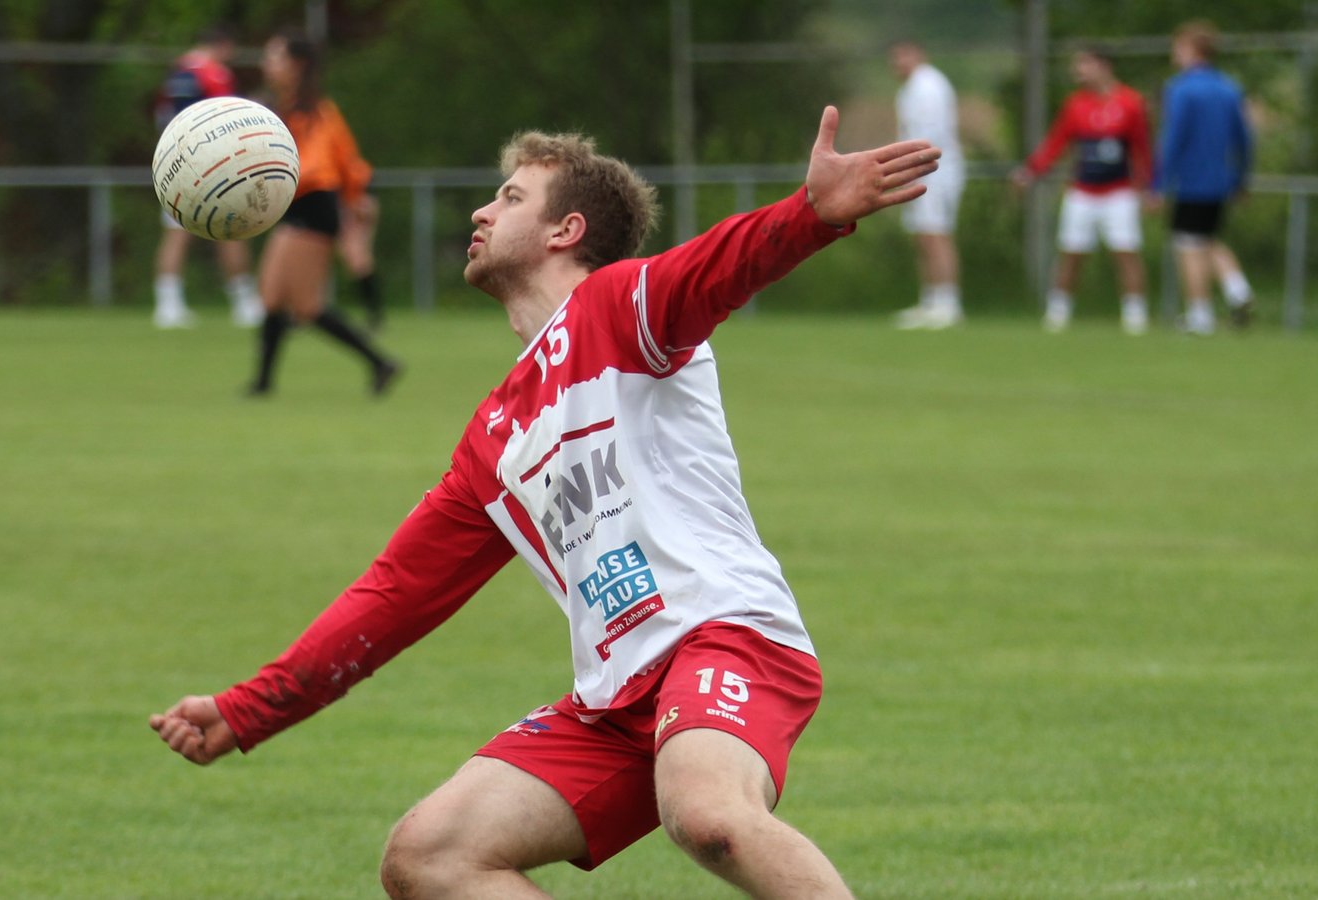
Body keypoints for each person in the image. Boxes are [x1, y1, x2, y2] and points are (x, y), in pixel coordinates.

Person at [150, 107, 940, 897]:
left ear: (566, 230)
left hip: (725, 636)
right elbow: (392, 596)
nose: (480, 211)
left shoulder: (618, 306)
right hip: (615, 697)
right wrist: (250, 709)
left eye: (509, 197)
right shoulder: (493, 436)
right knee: (429, 856)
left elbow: (716, 266)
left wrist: (808, 217)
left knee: (708, 815)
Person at [246, 31, 399, 397]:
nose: (267, 64)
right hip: (296, 205)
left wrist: (356, 198)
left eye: (275, 57)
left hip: (314, 205)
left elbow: (327, 165)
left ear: (297, 66)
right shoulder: (282, 107)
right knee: (270, 296)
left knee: (307, 307)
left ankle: (380, 362)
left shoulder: (314, 111)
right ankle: (263, 384)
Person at [1012, 48, 1153, 334]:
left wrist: (1149, 187)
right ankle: (1058, 313)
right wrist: (1031, 171)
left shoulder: (1130, 102)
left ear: (1104, 66)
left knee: (1126, 252)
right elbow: (1057, 143)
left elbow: (1142, 148)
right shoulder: (1075, 105)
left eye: (1085, 65)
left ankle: (1135, 316)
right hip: (1083, 192)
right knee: (1071, 253)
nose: (1079, 71)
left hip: (1119, 192)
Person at [151, 24, 265, 330]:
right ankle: (244, 303)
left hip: (174, 164)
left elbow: (164, 117)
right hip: (212, 166)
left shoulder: (177, 71)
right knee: (233, 226)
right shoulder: (213, 74)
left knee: (175, 234)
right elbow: (225, 122)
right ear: (224, 46)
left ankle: (168, 304)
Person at [1153, 20, 1255, 334]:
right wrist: (1241, 178)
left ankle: (1200, 315)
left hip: (1190, 181)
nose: (1175, 54)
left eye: (1178, 47)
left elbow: (1173, 139)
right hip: (1221, 180)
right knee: (1208, 239)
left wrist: (1158, 183)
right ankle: (1238, 290)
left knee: (1188, 245)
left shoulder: (1180, 89)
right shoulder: (1229, 88)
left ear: (1191, 50)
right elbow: (1245, 138)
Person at [889, 41, 966, 330]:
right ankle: (931, 300)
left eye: (903, 55)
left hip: (937, 170)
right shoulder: (907, 89)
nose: (898, 63)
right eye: (895, 58)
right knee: (922, 235)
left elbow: (932, 134)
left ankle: (948, 303)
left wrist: (917, 166)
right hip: (916, 170)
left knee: (937, 234)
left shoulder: (930, 85)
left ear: (918, 54)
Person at [338, 188, 387, 330]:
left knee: (363, 271)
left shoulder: (363, 197)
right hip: (343, 236)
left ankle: (375, 315)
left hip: (354, 237)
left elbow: (367, 212)